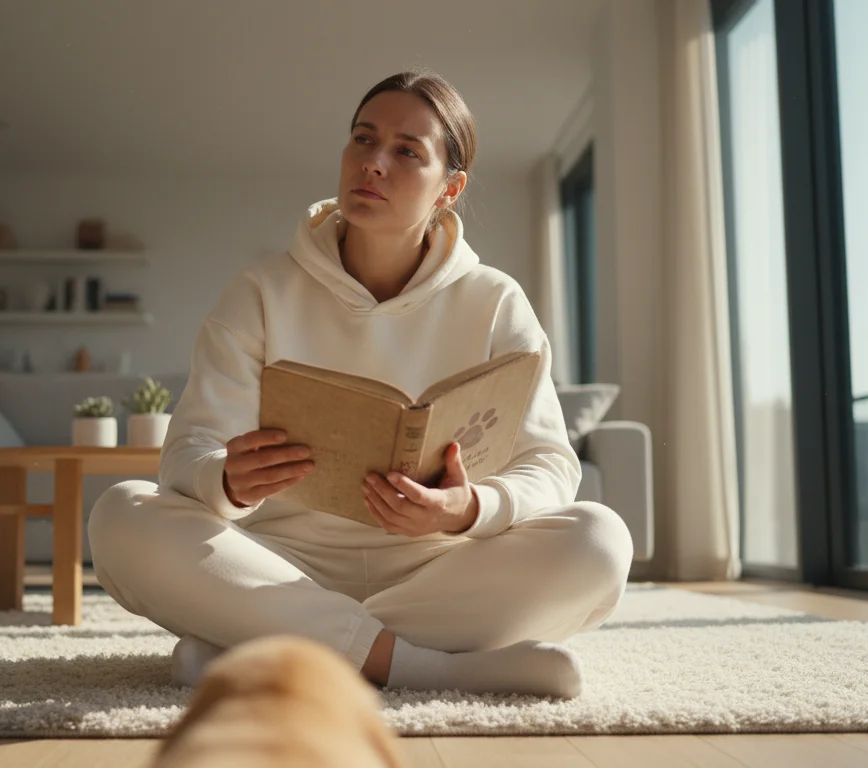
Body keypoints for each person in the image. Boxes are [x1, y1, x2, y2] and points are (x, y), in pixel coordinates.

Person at [90, 71, 633, 699]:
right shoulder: (261, 291)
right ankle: (428, 669)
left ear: (449, 189)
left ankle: (262, 645)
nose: (373, 163)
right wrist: (226, 480)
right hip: (277, 565)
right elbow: (186, 454)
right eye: (362, 139)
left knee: (598, 541)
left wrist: (468, 509)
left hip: (439, 571)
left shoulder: (495, 301)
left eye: (406, 151)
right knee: (121, 514)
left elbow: (550, 465)